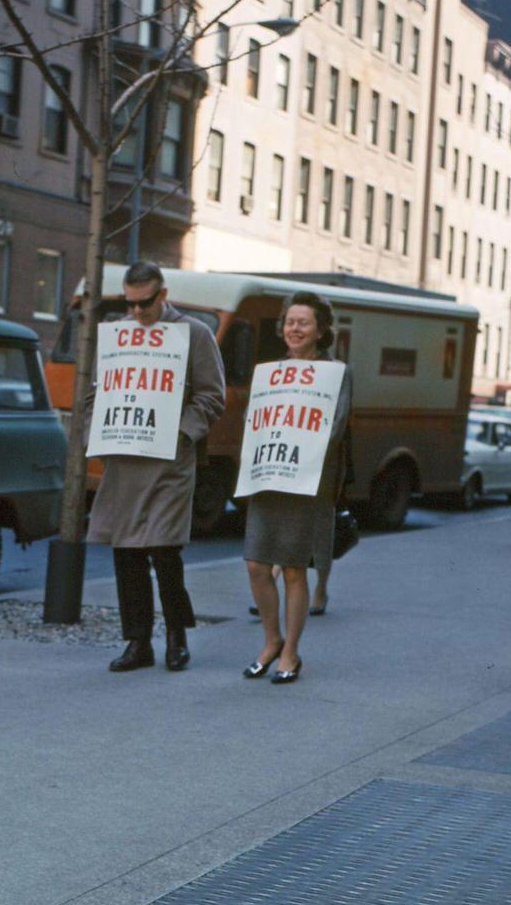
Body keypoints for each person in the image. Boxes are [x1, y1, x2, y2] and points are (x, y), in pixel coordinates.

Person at [87, 262, 226, 673]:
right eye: (129, 304)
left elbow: (212, 397)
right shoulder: (117, 336)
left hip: (169, 461)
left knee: (165, 551)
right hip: (126, 459)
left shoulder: (194, 334)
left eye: (145, 303)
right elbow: (100, 391)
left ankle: (177, 637)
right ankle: (138, 641)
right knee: (126, 551)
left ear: (163, 295)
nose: (137, 312)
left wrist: (181, 434)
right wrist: (98, 434)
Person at [242, 293, 352, 684]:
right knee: (256, 563)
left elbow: (335, 426)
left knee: (292, 569)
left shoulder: (335, 372)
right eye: (290, 321)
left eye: (304, 322)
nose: (294, 329)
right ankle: (271, 640)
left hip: (307, 481)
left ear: (321, 330)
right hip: (268, 476)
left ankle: (291, 653)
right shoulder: (271, 372)